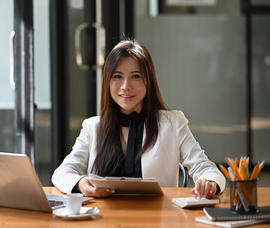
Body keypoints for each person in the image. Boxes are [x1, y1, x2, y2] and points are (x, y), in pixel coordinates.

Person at [52, 39, 225, 199]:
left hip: (157, 219)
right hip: (103, 219)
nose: (126, 87)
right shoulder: (93, 127)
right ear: (107, 81)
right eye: (117, 76)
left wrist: (209, 183)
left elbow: (206, 168)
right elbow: (62, 173)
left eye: (135, 76)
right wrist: (81, 183)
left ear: (148, 81)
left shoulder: (173, 123)